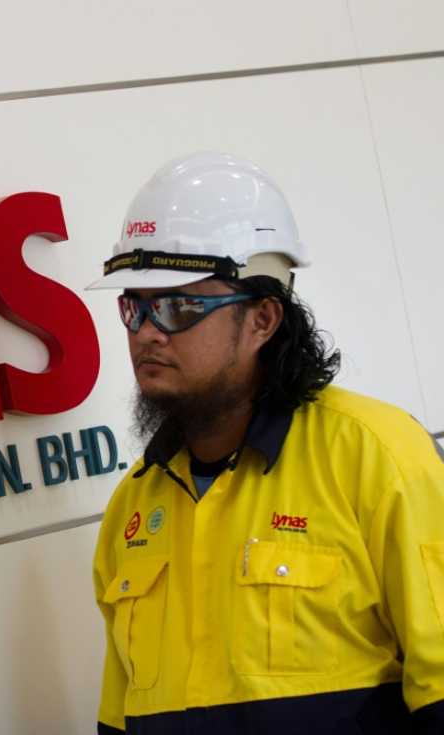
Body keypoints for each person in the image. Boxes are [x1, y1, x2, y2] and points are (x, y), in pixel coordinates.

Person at [86, 152, 444, 734]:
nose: (147, 333)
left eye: (178, 306)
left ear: (262, 320)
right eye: (135, 307)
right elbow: (119, 721)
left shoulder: (375, 454)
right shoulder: (133, 508)